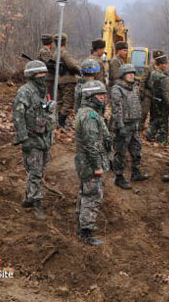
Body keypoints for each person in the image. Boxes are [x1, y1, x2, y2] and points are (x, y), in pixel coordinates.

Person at [12, 60, 56, 219]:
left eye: (44, 74)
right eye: (39, 74)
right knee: (35, 170)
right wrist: (23, 137)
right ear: (31, 76)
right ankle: (36, 202)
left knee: (39, 169)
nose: (42, 77)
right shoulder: (25, 92)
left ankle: (29, 196)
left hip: (43, 137)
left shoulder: (42, 91)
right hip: (31, 138)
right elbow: (18, 115)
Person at [75, 80, 110, 245]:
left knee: (85, 192)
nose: (103, 97)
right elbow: (91, 144)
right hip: (90, 162)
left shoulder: (87, 112)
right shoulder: (89, 116)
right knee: (92, 195)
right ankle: (86, 232)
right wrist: (98, 166)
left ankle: (82, 224)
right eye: (99, 94)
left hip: (87, 161)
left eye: (104, 94)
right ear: (90, 96)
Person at [110, 64, 148, 189]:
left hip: (134, 125)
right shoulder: (117, 89)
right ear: (123, 75)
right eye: (129, 73)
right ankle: (119, 177)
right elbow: (116, 110)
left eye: (133, 73)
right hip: (124, 125)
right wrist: (120, 126)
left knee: (137, 149)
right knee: (120, 152)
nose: (132, 75)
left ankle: (136, 172)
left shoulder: (133, 88)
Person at [54, 33, 80, 128]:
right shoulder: (64, 53)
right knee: (68, 102)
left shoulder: (55, 53)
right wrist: (79, 71)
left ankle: (59, 122)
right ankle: (61, 123)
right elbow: (72, 65)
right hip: (68, 80)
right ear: (65, 42)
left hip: (59, 80)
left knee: (60, 102)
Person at [146, 54, 169, 145]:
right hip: (162, 102)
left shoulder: (153, 74)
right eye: (165, 64)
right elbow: (164, 93)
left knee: (157, 118)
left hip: (155, 99)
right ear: (161, 65)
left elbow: (150, 85)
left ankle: (150, 133)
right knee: (164, 121)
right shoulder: (162, 77)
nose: (167, 65)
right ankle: (162, 140)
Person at [139, 50, 165, 128]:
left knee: (154, 113)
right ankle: (140, 126)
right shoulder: (149, 68)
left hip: (156, 94)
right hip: (148, 93)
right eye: (156, 58)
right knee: (144, 111)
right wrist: (141, 91)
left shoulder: (162, 68)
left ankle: (151, 129)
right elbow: (143, 80)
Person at [37, 34, 55, 98]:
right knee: (48, 96)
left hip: (49, 77)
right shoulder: (44, 52)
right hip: (47, 78)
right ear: (51, 43)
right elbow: (50, 63)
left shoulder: (47, 51)